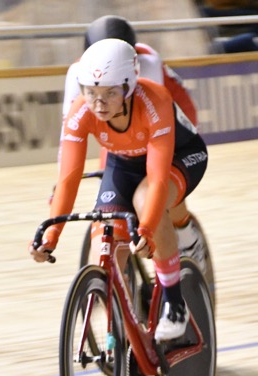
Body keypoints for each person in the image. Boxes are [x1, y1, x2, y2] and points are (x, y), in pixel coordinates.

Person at [31, 39, 209, 341]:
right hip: (124, 162)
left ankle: (175, 303)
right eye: (90, 92)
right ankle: (128, 334)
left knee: (145, 201)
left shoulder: (154, 101)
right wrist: (51, 235)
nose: (98, 103)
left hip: (180, 155)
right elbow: (69, 178)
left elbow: (156, 175)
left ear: (129, 88)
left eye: (110, 93)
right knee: (106, 235)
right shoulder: (81, 111)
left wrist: (148, 229)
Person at [61, 15, 205, 265]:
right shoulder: (81, 72)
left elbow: (151, 137)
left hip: (171, 118)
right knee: (119, 185)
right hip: (128, 125)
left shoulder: (146, 63)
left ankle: (185, 233)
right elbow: (69, 135)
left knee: (159, 190)